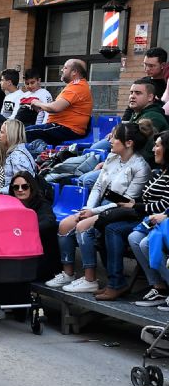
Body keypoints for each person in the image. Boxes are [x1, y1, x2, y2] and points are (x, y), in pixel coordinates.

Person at [49, 122, 149, 296]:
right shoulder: (111, 157)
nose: (110, 139)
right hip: (99, 206)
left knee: (82, 226)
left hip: (118, 211)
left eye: (115, 137)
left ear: (129, 143)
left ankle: (90, 280)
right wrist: (89, 207)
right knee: (65, 225)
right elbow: (97, 187)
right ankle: (68, 274)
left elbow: (125, 202)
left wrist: (93, 213)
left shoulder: (140, 167)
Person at [128, 133, 169, 309]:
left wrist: (135, 207)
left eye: (158, 145)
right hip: (154, 218)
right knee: (134, 238)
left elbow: (163, 204)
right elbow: (147, 199)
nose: (153, 149)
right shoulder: (158, 172)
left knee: (146, 243)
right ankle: (159, 287)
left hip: (162, 220)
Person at [26, 59, 93, 145]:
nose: (62, 70)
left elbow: (55, 108)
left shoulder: (77, 86)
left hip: (67, 129)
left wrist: (37, 102)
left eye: (65, 68)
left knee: (24, 133)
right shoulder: (77, 85)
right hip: (63, 127)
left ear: (74, 72)